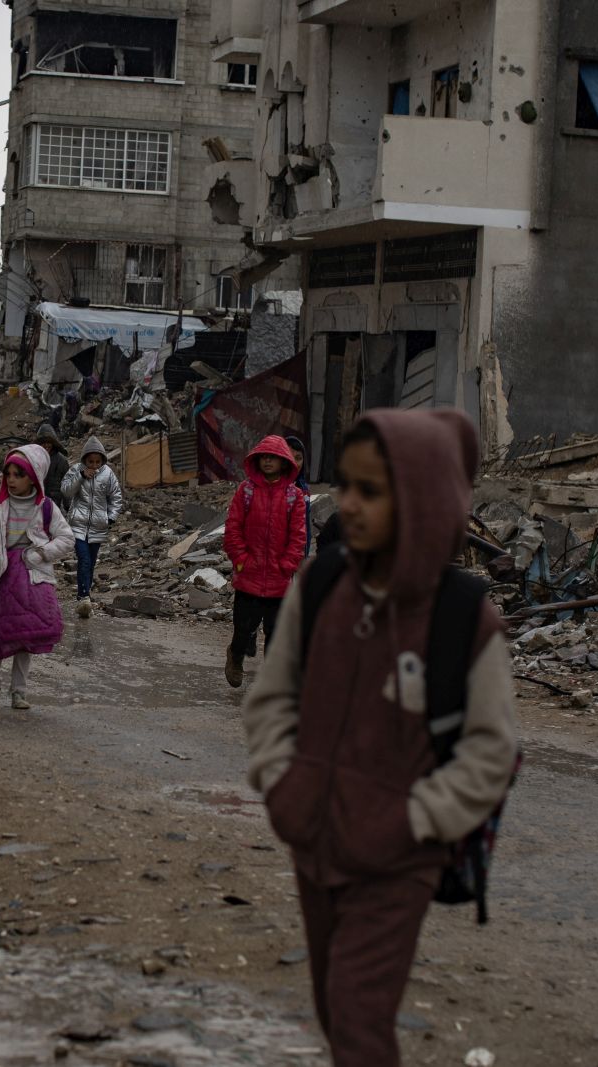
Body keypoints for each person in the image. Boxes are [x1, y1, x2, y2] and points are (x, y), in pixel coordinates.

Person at [242, 410, 518, 1067]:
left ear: (422, 498)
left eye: (373, 491)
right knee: (337, 1010)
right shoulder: (323, 583)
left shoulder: (462, 618)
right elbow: (272, 695)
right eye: (348, 486)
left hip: (398, 860)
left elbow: (491, 750)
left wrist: (417, 819)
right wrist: (281, 780)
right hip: (314, 839)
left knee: (360, 1015)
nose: (351, 505)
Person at [0, 444, 74, 709]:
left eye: (19, 474)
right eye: (9, 474)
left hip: (32, 575)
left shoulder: (46, 507)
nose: (12, 480)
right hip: (1, 575)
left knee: (26, 634)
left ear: (34, 476)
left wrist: (41, 553)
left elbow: (66, 538)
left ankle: (19, 690)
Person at [222, 435, 307, 688]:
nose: (268, 461)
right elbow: (233, 528)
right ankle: (235, 657)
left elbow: (298, 537)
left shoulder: (294, 497)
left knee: (275, 632)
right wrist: (241, 559)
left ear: (284, 462)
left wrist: (287, 565)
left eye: (274, 457)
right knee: (242, 629)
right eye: (264, 457)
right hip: (248, 574)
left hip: (278, 579)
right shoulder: (246, 491)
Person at [60, 434, 123, 618]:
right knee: (84, 559)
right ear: (84, 460)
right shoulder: (75, 470)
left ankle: (85, 594)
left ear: (102, 460)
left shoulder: (108, 474)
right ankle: (84, 597)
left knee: (91, 562)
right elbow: (66, 490)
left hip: (98, 526)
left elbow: (116, 497)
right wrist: (80, 476)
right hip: (78, 524)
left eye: (97, 461)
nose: (94, 465)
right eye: (90, 461)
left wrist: (110, 517)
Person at [285, 434, 315, 558]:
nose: (294, 463)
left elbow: (306, 526)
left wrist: (305, 553)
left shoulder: (304, 490)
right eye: (289, 457)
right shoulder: (271, 487)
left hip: (295, 554)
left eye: (298, 458)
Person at [36, 424, 71, 509]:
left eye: (49, 442)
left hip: (54, 503)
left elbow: (66, 484)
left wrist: (68, 506)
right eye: (43, 443)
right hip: (36, 502)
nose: (46, 445)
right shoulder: (34, 458)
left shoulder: (61, 461)